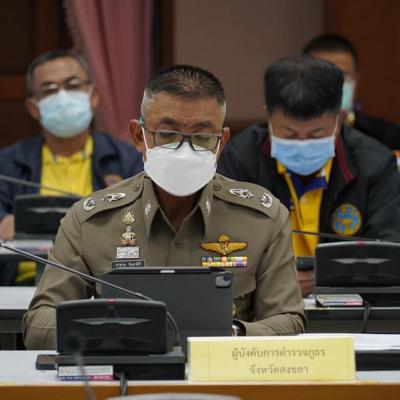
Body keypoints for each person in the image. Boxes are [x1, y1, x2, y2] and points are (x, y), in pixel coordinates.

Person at [23, 64, 305, 349]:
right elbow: (38, 324)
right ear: (139, 136)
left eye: (202, 137)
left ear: (221, 143)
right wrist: (114, 332)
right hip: (126, 371)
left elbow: (289, 320)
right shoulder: (90, 221)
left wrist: (226, 336)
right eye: (168, 134)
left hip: (224, 370)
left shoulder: (262, 219)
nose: (184, 150)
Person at [218, 56, 400, 296]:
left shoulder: (375, 165)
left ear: (339, 119)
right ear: (269, 117)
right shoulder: (239, 160)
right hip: (260, 302)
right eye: (289, 134)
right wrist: (275, 278)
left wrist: (325, 277)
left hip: (347, 304)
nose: (302, 143)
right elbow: (220, 245)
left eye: (316, 134)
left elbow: (389, 254)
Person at [0, 49, 143, 285]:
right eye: (49, 89)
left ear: (93, 96)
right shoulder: (8, 164)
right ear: (34, 108)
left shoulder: (128, 160)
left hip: (103, 283)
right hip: (24, 284)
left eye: (72, 85)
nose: (62, 96)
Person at [303, 33, 400, 151]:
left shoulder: (389, 137)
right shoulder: (288, 139)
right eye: (321, 75)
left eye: (342, 75)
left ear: (355, 81)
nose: (332, 84)